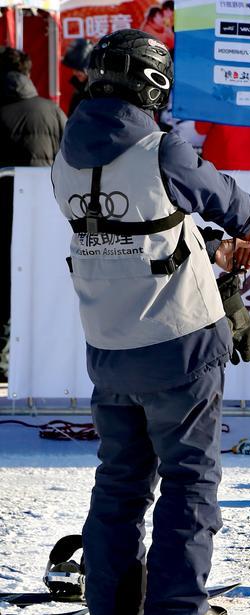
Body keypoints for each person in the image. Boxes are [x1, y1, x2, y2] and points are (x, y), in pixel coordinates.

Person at [51, 29, 250, 615]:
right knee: (190, 476)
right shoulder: (160, 147)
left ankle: (112, 607)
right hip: (179, 339)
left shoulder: (63, 153)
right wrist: (247, 224)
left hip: (107, 341)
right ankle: (177, 609)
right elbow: (231, 201)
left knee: (120, 478)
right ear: (154, 84)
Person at [0, 46, 67, 382]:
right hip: (43, 215)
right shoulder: (51, 110)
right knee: (37, 286)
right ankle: (36, 361)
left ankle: (4, 361)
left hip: (3, 213)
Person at [61, 38, 94, 116]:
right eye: (74, 69)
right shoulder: (79, 87)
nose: (75, 73)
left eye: (79, 69)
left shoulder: (97, 91)